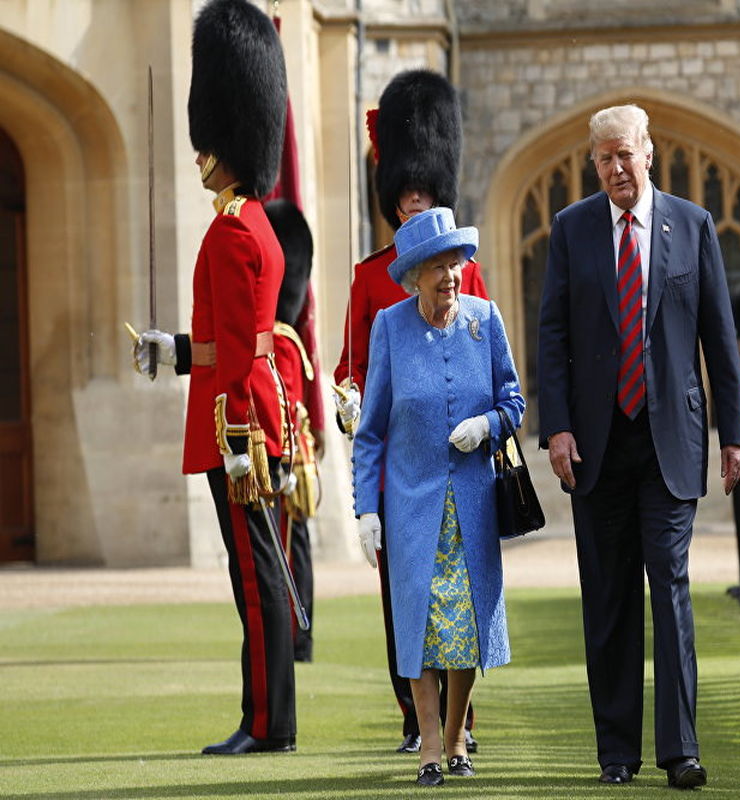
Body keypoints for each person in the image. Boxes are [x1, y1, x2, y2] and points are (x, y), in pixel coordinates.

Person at [537, 103, 740, 789]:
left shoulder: (692, 226)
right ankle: (617, 754)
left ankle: (679, 749)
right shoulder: (571, 230)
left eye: (625, 154)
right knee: (609, 599)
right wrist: (558, 427)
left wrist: (734, 437)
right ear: (593, 163)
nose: (616, 168)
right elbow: (554, 337)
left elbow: (719, 338)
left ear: (648, 153)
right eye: (604, 158)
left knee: (672, 588)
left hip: (672, 443)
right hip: (597, 445)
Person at [132, 0, 295, 754]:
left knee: (255, 583)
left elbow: (236, 351)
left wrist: (236, 439)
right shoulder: (251, 222)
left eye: (207, 146)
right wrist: (170, 350)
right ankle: (268, 720)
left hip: (237, 426)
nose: (199, 156)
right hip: (246, 411)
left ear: (229, 144)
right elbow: (230, 340)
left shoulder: (234, 232)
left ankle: (264, 725)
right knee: (257, 575)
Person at [332, 68, 487, 754]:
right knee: (405, 591)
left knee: (461, 585)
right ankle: (412, 715)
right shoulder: (371, 277)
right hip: (397, 456)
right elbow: (350, 364)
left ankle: (460, 725)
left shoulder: (466, 271)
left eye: (420, 186)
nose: (410, 198)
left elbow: (485, 346)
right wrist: (351, 399)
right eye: (401, 189)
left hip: (455, 451)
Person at [352, 206, 523, 787]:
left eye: (455, 264)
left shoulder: (485, 319)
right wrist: (366, 507)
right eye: (439, 267)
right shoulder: (390, 327)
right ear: (414, 276)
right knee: (420, 624)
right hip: (411, 504)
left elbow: (514, 401)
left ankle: (455, 738)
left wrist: (488, 426)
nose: (451, 276)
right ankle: (428, 744)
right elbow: (370, 428)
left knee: (467, 623)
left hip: (472, 499)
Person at [265, 198, 321, 663]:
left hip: (284, 454)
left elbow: (284, 399)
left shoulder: (281, 339)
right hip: (286, 449)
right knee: (291, 542)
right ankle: (295, 633)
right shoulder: (284, 335)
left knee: (288, 543)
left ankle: (298, 634)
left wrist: (280, 460)